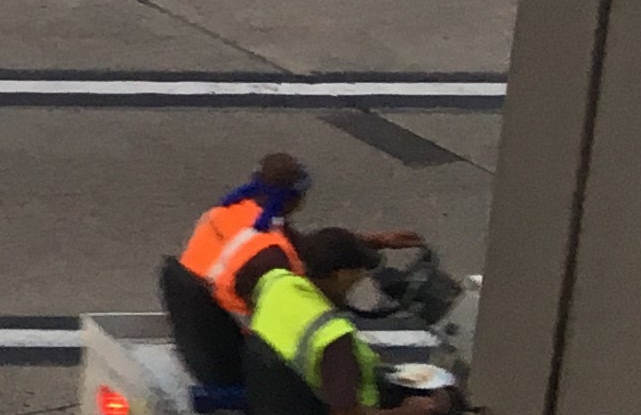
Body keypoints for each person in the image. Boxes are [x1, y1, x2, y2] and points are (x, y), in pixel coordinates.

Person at [161, 155, 422, 388]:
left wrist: (373, 241)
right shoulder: (272, 263)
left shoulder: (227, 214)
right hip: (240, 350)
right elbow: (289, 313)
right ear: (295, 198)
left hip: (206, 331)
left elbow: (304, 245)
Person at [247, 226, 456, 413]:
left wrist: (373, 242)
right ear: (340, 274)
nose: (361, 276)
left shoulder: (275, 283)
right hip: (352, 405)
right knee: (443, 400)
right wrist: (408, 411)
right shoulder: (333, 337)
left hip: (277, 399)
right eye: (357, 271)